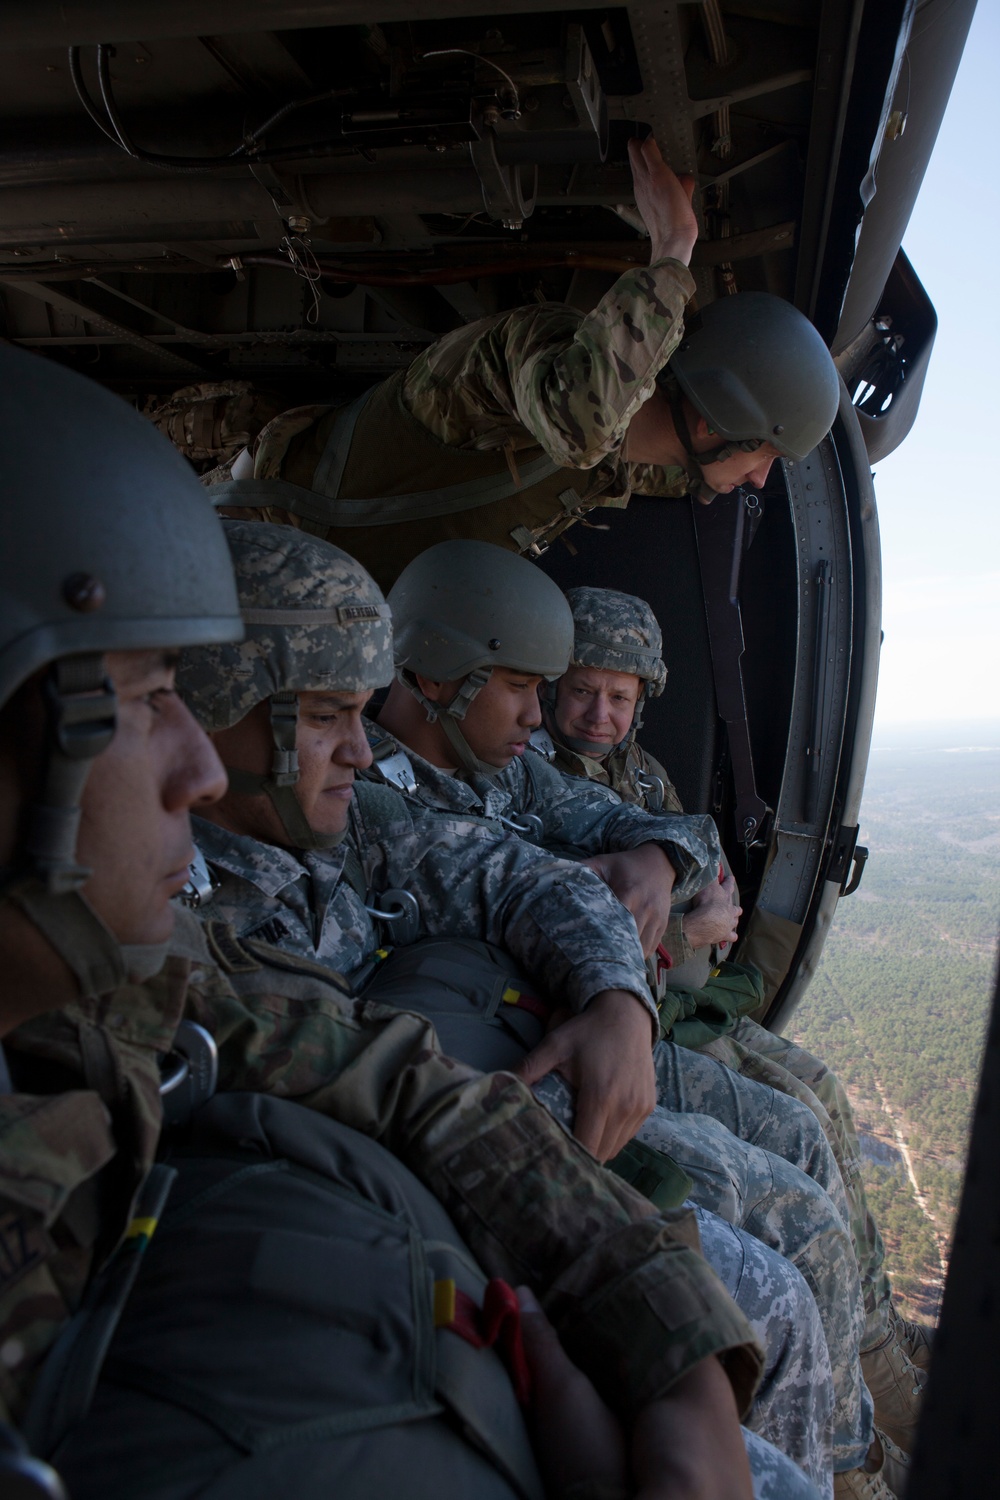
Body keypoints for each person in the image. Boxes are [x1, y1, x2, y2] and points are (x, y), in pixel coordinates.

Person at [0, 344, 785, 1500]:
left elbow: (393, 1066)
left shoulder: (145, 972)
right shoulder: (157, 925)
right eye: (145, 699)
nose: (196, 769)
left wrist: (664, 1332)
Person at [178, 522, 898, 1493]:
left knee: (783, 1211)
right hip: (384, 1216)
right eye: (321, 716)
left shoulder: (333, 828)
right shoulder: (171, 910)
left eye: (360, 712)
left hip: (464, 1135)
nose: (360, 746)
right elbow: (368, 1087)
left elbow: (524, 878)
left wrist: (616, 1001)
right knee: (766, 1297)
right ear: (212, 712)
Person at [540, 582, 930, 1492]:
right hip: (656, 1014)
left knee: (821, 1096)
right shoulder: (543, 783)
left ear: (644, 700)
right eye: (580, 692)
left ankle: (877, 1344)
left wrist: (703, 919)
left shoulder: (637, 778)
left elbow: (702, 863)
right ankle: (860, 1452)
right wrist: (695, 928)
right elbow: (605, 933)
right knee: (791, 1144)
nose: (599, 715)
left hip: (688, 999)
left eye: (620, 697)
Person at [201, 136, 842, 589]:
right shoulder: (539, 353)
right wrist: (673, 250)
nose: (761, 480)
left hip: (292, 587)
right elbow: (581, 428)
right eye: (766, 457)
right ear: (713, 422)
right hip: (233, 535)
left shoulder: (630, 459)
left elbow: (667, 467)